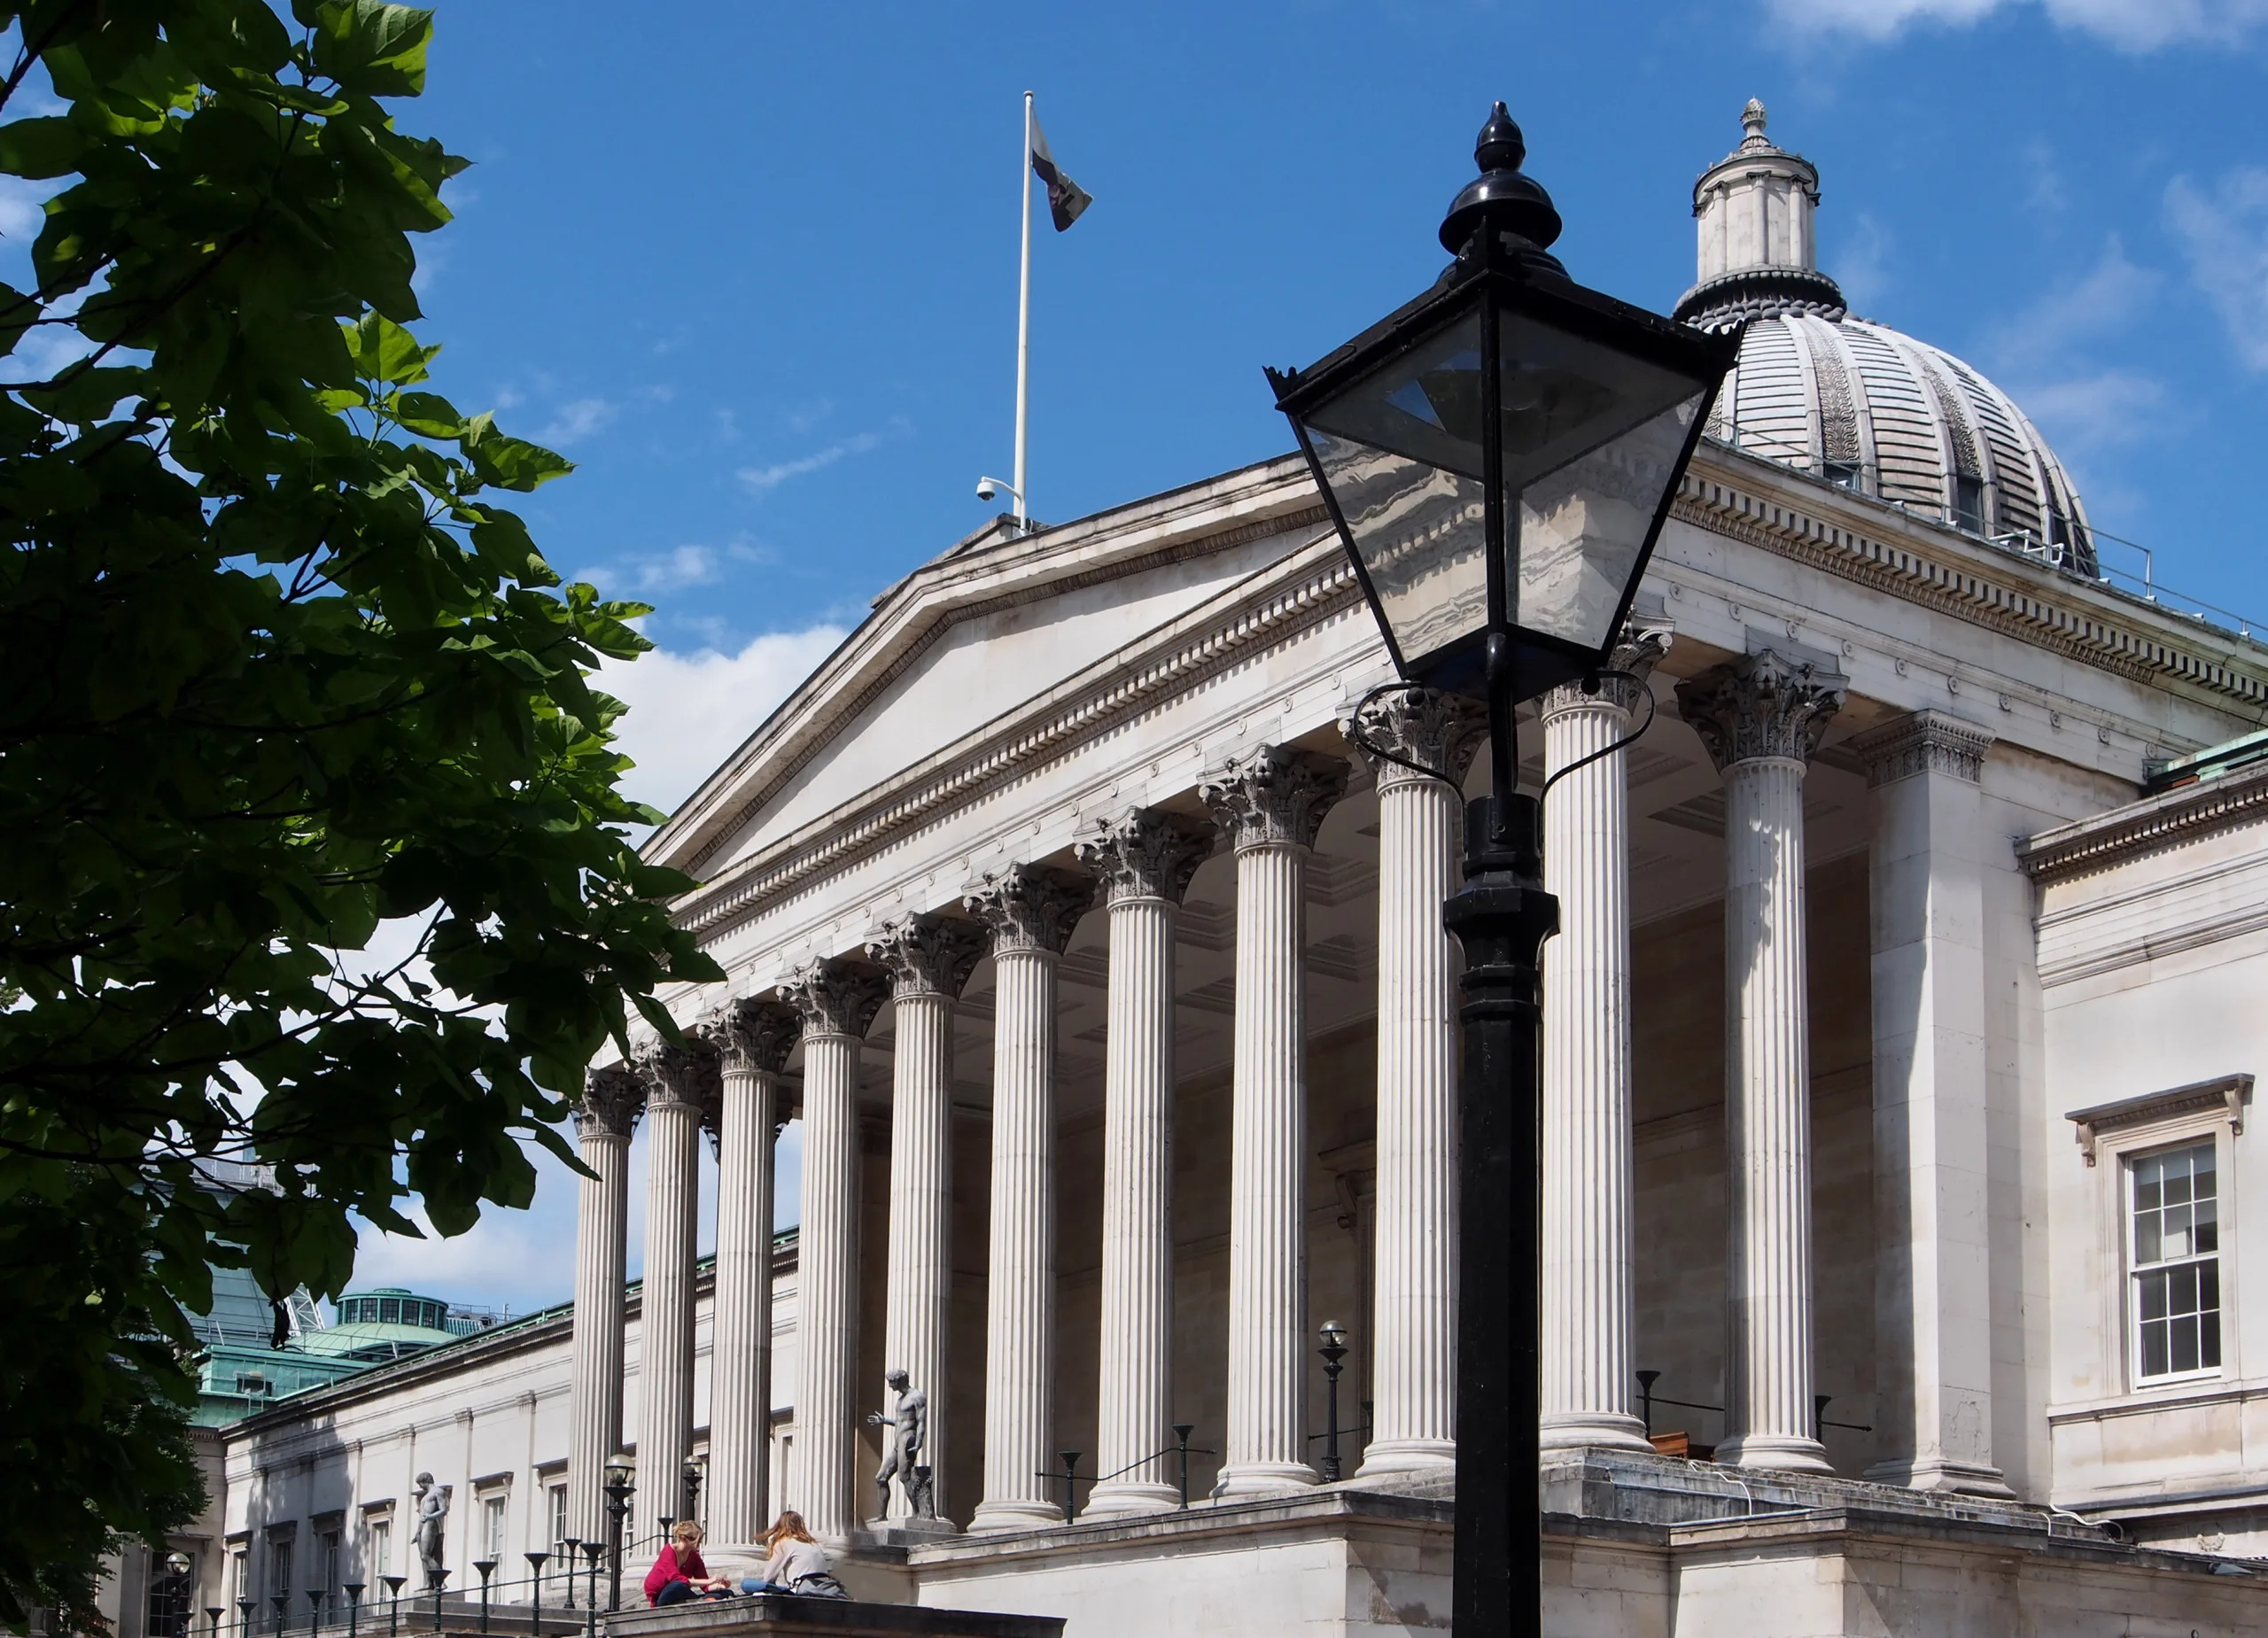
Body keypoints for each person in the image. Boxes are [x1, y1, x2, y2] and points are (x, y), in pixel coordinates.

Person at [736, 1512, 848, 1600]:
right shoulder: (813, 1544)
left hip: (802, 1588)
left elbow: (768, 1578)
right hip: (824, 1587)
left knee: (746, 1584)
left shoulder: (784, 1542)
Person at [643, 1521, 731, 1607]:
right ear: (683, 1538)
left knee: (726, 1593)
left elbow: (705, 1587)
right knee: (678, 1585)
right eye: (695, 1540)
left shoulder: (695, 1557)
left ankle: (701, 1601)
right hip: (660, 1595)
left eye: (700, 1540)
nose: (698, 1544)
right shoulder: (668, 1551)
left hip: (681, 1591)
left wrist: (720, 1586)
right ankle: (700, 1601)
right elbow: (675, 1578)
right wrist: (709, 1580)